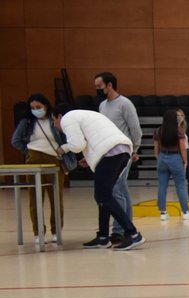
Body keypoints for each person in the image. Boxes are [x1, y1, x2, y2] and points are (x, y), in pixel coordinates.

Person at [53, 104, 144, 250]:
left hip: (110, 153)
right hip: (122, 151)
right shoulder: (85, 114)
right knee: (104, 195)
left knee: (103, 196)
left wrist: (63, 148)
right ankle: (103, 237)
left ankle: (133, 234)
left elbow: (76, 145)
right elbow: (93, 140)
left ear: (58, 116)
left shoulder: (67, 118)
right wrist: (88, 159)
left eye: (54, 121)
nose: (55, 125)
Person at [10, 93, 69, 236]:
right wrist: (29, 151)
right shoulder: (27, 122)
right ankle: (38, 232)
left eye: (39, 107)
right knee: (35, 198)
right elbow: (15, 140)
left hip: (54, 159)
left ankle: (56, 232)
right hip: (33, 160)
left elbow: (65, 138)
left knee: (56, 197)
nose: (36, 110)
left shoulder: (54, 120)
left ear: (46, 106)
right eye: (32, 108)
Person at [94, 72, 141, 243]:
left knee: (115, 189)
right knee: (121, 189)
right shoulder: (102, 106)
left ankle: (119, 229)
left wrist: (133, 149)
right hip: (107, 152)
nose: (97, 90)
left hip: (122, 152)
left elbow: (135, 129)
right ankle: (124, 226)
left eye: (99, 86)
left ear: (109, 85)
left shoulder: (124, 104)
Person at [154, 108, 189, 222]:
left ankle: (163, 213)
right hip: (175, 158)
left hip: (162, 158)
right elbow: (182, 148)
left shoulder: (158, 131)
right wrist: (185, 161)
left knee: (162, 186)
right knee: (180, 185)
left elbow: (156, 148)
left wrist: (159, 158)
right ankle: (186, 211)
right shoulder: (179, 131)